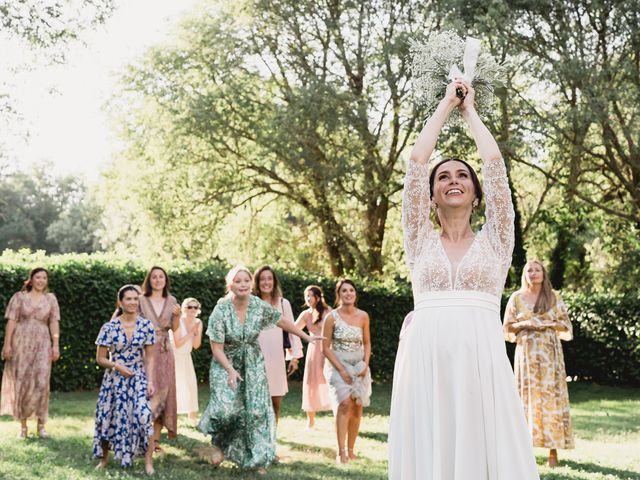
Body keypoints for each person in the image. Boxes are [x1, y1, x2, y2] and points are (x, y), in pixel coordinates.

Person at [388, 79, 539, 479]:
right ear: (432, 195)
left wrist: (469, 111)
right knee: (430, 445)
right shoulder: (419, 239)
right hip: (425, 359)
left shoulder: (497, 240)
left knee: (483, 443)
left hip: (480, 359)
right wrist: (445, 104)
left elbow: (495, 167)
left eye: (461, 176)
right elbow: (417, 163)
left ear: (475, 194)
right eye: (444, 178)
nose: (452, 179)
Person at [198, 265, 323, 474]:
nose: (243, 285)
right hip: (225, 362)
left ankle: (256, 458)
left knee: (255, 411)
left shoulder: (257, 305)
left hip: (253, 363)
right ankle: (219, 445)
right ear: (230, 285)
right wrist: (229, 370)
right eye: (238, 281)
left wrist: (305, 336)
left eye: (246, 281)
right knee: (226, 408)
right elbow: (216, 347)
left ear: (251, 284)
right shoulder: (221, 309)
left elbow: (281, 320)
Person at [504, 260, 575, 467]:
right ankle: (524, 451)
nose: (533, 273)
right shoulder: (516, 299)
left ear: (544, 274)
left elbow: (565, 325)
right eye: (529, 270)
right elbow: (507, 327)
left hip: (550, 355)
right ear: (524, 275)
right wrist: (526, 323)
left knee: (551, 399)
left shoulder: (553, 298)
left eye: (537, 270)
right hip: (526, 354)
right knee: (526, 399)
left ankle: (553, 452)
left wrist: (548, 324)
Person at [93, 285, 155, 474]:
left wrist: (150, 381)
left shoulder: (146, 325)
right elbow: (100, 358)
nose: (132, 303)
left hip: (138, 377)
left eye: (136, 299)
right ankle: (104, 459)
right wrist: (117, 366)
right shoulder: (109, 327)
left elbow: (150, 357)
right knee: (107, 417)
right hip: (114, 379)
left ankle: (148, 462)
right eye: (128, 299)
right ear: (120, 302)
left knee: (145, 417)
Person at [1, 267, 60, 439]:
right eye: (38, 277)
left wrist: (55, 345)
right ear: (31, 279)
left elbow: (54, 323)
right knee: (23, 381)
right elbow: (11, 322)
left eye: (44, 278)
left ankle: (41, 425)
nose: (41, 280)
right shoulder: (19, 298)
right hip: (21, 342)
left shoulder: (51, 299)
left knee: (42, 382)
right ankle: (23, 426)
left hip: (42, 343)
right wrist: (7, 345)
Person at [322, 279, 371, 464]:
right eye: (344, 290)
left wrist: (365, 364)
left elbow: (367, 343)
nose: (348, 293)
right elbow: (325, 348)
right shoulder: (331, 317)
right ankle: (340, 451)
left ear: (355, 294)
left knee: (357, 407)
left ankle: (351, 450)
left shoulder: (363, 316)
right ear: (339, 294)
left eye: (351, 290)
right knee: (344, 404)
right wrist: (341, 370)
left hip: (359, 364)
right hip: (337, 364)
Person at [253, 265, 303, 423]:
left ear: (274, 282)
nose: (266, 282)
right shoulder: (251, 303)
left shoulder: (283, 303)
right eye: (262, 279)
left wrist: (295, 357)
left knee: (275, 403)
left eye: (269, 279)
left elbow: (293, 330)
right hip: (255, 358)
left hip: (276, 358)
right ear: (257, 282)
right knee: (256, 403)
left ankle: (271, 440)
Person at [138, 266, 180, 452]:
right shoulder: (140, 300)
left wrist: (178, 317)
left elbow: (175, 328)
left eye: (161, 276)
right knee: (147, 393)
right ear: (149, 280)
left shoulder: (172, 301)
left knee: (164, 393)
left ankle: (155, 441)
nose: (157, 280)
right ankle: (141, 439)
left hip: (164, 352)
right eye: (154, 277)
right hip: (145, 352)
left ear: (165, 280)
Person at [294, 285, 332, 428]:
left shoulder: (329, 311)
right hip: (313, 351)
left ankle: (337, 414)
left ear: (318, 297)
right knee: (311, 383)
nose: (308, 298)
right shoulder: (306, 314)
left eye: (311, 295)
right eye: (306, 296)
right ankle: (310, 420)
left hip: (329, 349)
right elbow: (293, 330)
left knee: (331, 380)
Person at [170, 297, 203, 423]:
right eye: (190, 307)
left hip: (186, 357)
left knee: (191, 385)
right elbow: (177, 343)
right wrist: (191, 332)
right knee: (176, 386)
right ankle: (172, 417)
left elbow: (196, 345)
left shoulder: (198, 322)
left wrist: (196, 332)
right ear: (184, 309)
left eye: (195, 307)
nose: (192, 310)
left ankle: (192, 417)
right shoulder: (178, 321)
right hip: (175, 356)